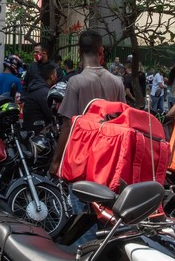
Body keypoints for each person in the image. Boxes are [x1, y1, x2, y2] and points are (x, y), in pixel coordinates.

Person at [51, 29, 125, 172]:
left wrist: (56, 162)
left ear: (79, 51)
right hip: (110, 158)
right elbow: (123, 120)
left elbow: (67, 125)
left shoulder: (76, 82)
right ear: (101, 51)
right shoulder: (117, 82)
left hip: (83, 158)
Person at [22, 62, 58, 133]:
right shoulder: (44, 92)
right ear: (52, 76)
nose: (57, 77)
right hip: (37, 131)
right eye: (56, 74)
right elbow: (50, 114)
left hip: (31, 128)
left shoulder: (37, 86)